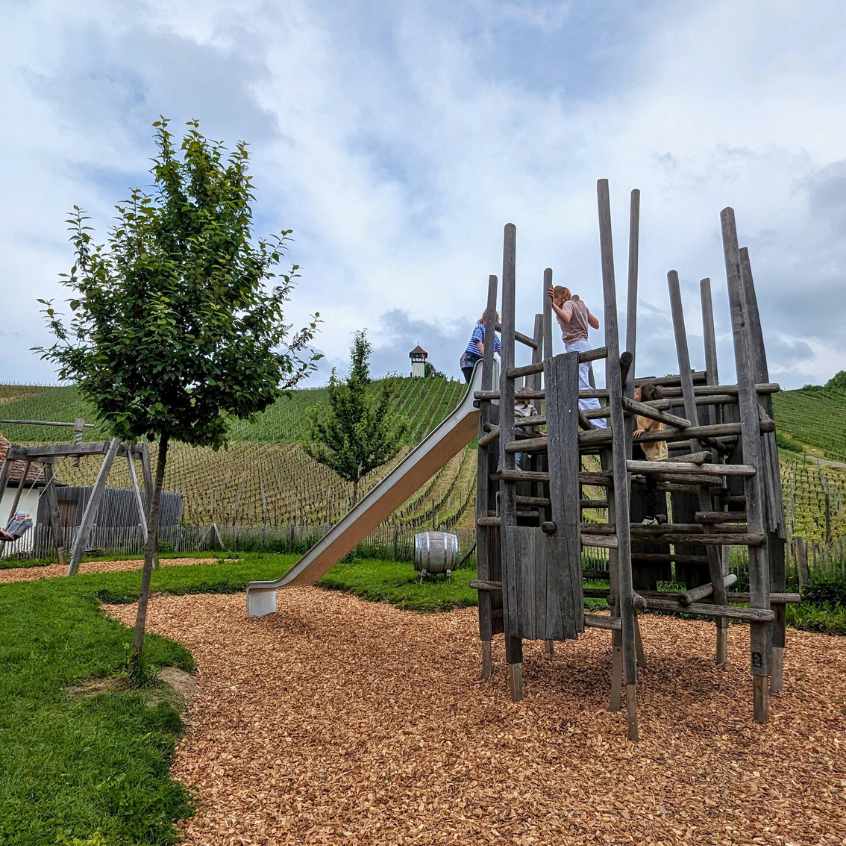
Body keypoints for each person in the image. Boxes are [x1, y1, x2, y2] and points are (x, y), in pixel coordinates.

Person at [547, 285, 607, 429]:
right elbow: (596, 324)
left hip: (576, 346)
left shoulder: (567, 304)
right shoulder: (581, 305)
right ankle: (596, 420)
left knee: (581, 386)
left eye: (554, 298)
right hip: (584, 344)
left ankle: (600, 424)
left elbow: (567, 318)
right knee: (581, 383)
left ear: (559, 297)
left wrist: (552, 306)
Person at [632, 383, 668, 524]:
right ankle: (655, 517)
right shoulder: (640, 410)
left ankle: (651, 517)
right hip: (648, 453)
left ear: (643, 397)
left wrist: (645, 430)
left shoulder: (651, 409)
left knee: (651, 487)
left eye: (636, 393)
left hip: (657, 455)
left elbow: (655, 417)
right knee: (651, 486)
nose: (634, 395)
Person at [460, 312, 501, 383]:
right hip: (470, 358)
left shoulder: (495, 338)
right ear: (484, 320)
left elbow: (501, 350)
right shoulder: (480, 328)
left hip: (481, 360)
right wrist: (486, 356)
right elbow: (478, 342)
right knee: (473, 380)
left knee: (482, 380)